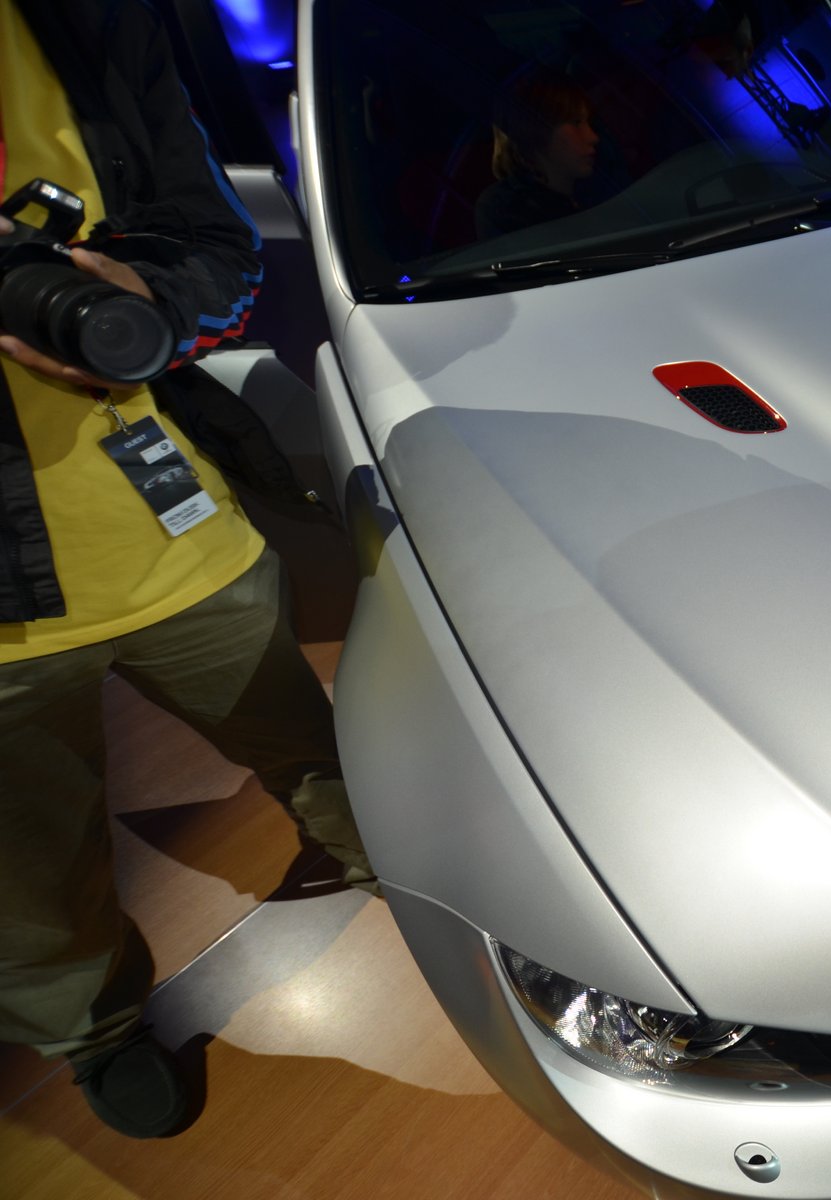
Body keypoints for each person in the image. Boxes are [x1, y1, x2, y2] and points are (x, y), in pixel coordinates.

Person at [0, 0, 373, 1141]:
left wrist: (149, 301)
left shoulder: (86, 22)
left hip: (176, 526)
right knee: (30, 874)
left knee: (324, 757)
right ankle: (96, 1032)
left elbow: (216, 242)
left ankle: (405, 877)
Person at [476, 68, 603, 239]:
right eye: (576, 123)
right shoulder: (507, 208)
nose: (593, 137)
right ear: (535, 130)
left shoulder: (596, 191)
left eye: (588, 122)